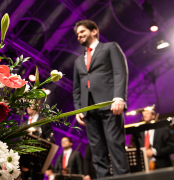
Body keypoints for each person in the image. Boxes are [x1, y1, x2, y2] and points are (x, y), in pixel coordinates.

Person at [73, 19, 130, 178]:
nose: (80, 36)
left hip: (110, 105)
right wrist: (79, 109)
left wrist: (119, 97)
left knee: (115, 146)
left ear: (94, 31)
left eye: (82, 32)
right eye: (77, 34)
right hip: (89, 110)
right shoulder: (78, 61)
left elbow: (120, 72)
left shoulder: (110, 47)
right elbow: (76, 88)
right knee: (97, 151)